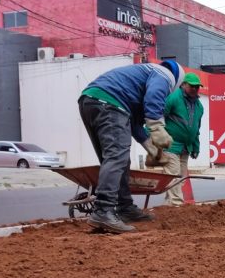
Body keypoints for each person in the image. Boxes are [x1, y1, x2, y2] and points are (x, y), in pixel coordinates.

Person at [78, 60, 184, 233]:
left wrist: (153, 150)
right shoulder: (165, 75)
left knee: (116, 160)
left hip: (90, 101)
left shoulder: (140, 79)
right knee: (117, 158)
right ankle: (103, 210)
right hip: (109, 103)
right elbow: (155, 96)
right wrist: (157, 126)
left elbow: (134, 125)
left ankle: (124, 207)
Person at [161, 72, 204, 205]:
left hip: (185, 146)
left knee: (181, 177)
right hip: (171, 144)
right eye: (192, 86)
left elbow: (196, 129)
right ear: (184, 85)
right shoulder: (174, 98)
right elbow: (158, 116)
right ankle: (176, 205)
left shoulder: (199, 106)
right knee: (173, 174)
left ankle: (169, 206)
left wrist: (196, 147)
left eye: (197, 87)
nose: (195, 89)